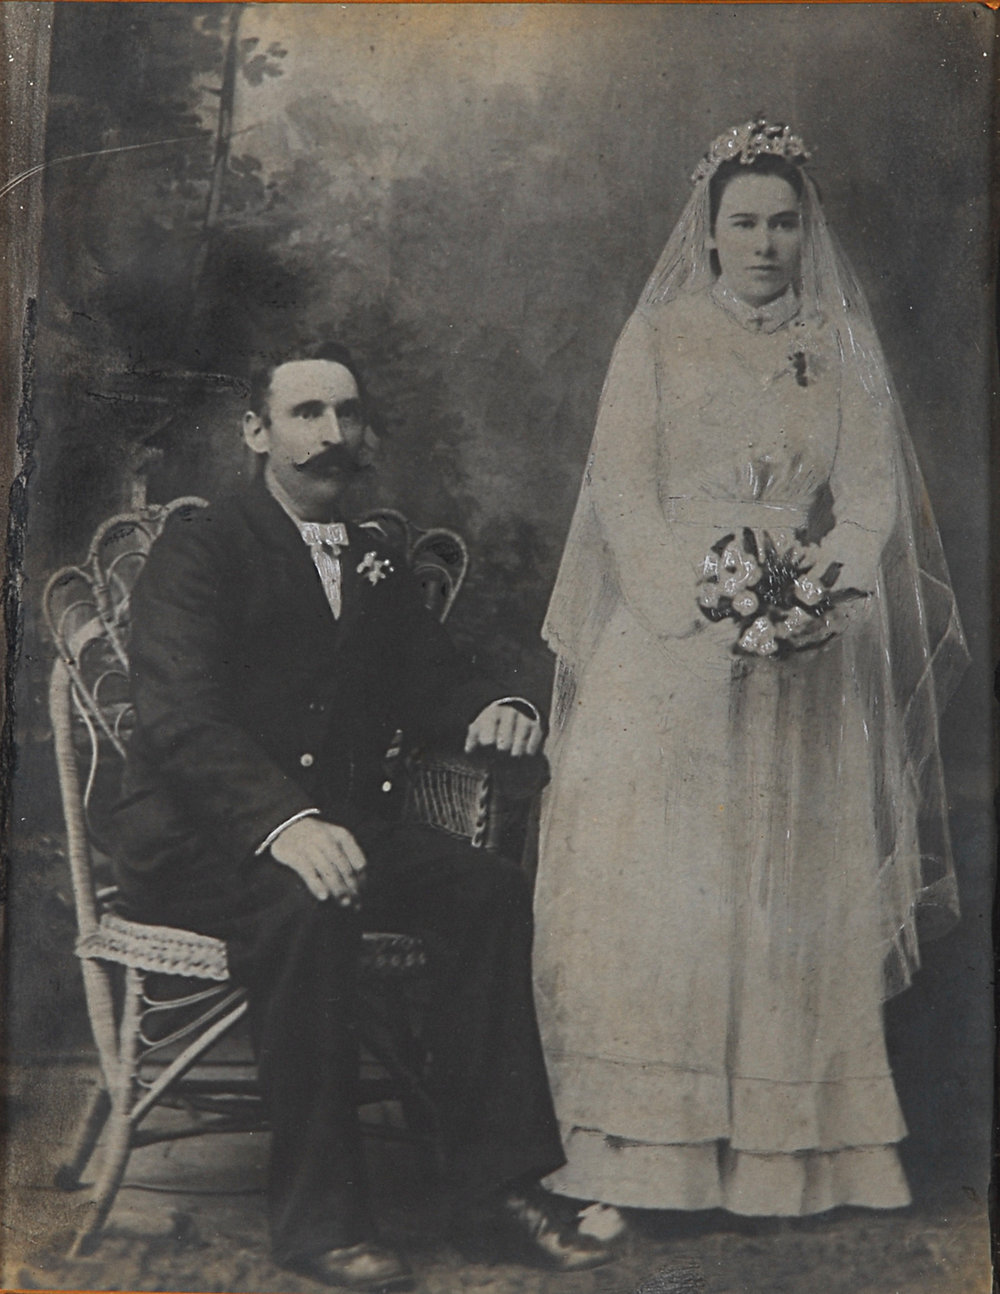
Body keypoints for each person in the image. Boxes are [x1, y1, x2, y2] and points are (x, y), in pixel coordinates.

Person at [533, 121, 968, 1230]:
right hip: (672, 646)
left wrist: (805, 592)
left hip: (805, 655)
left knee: (784, 897)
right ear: (709, 231)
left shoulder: (840, 347)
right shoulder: (661, 337)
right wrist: (710, 606)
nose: (764, 241)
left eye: (783, 221)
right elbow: (623, 492)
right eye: (744, 221)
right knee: (664, 896)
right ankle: (646, 1164)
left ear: (802, 230)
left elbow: (869, 499)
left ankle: (787, 1160)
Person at [112, 342, 612, 1289]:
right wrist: (282, 826)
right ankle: (321, 1222)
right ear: (257, 432)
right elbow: (182, 718)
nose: (331, 436)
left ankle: (493, 1191)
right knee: (304, 907)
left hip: (340, 824)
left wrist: (487, 709)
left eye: (346, 415)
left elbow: (427, 679)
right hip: (201, 837)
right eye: (305, 414)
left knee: (485, 890)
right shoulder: (203, 547)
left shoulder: (378, 554)